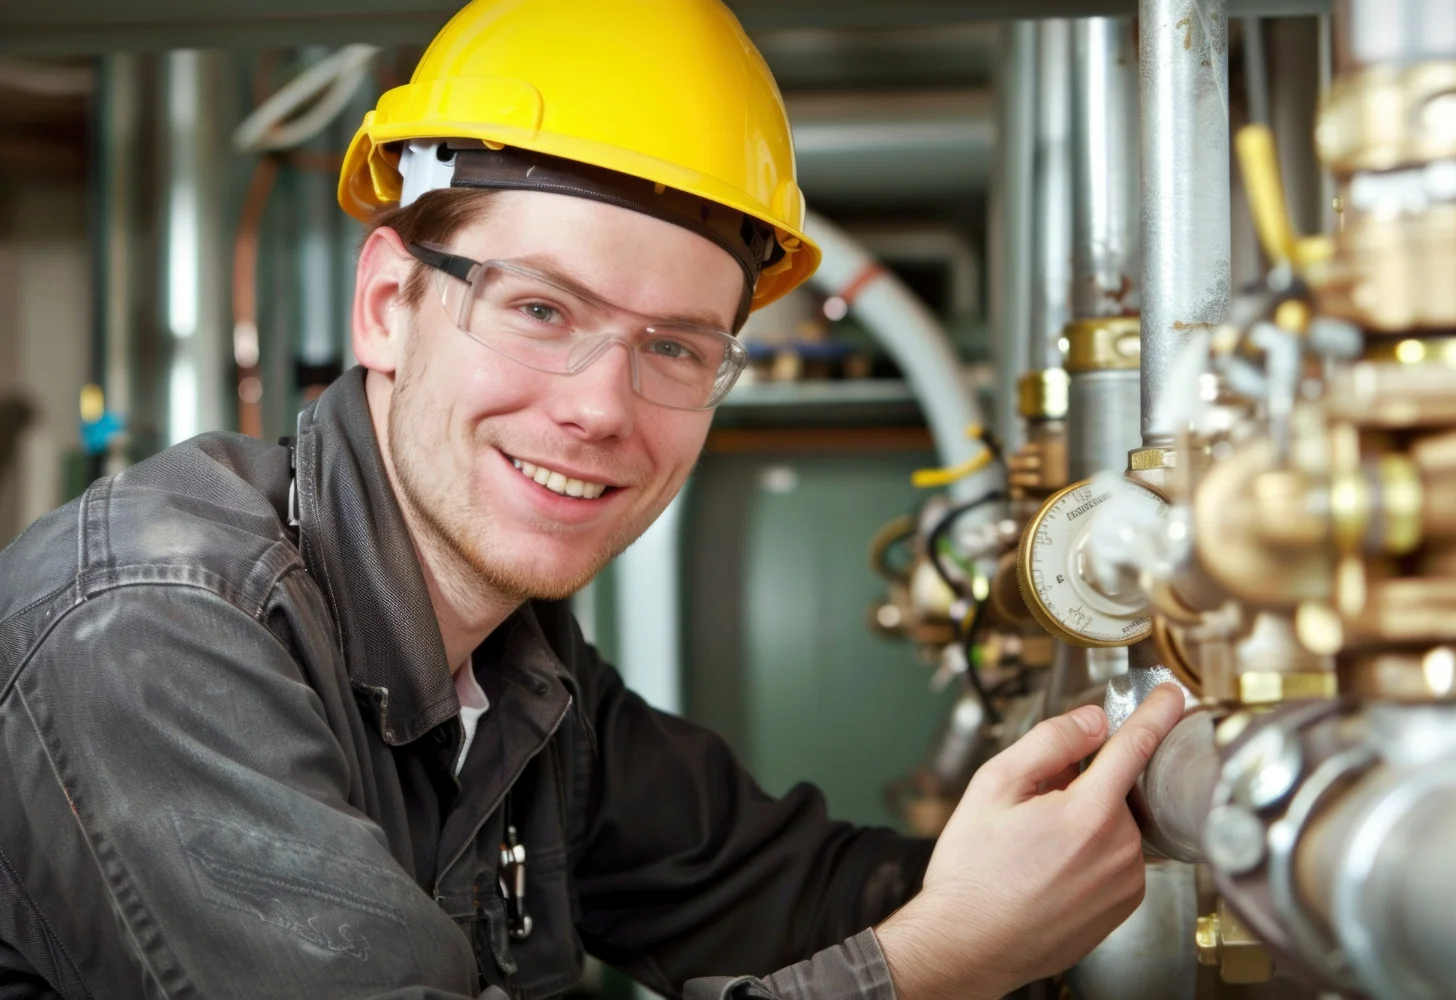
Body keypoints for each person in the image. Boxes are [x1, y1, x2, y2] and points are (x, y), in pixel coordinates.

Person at [0, 0, 1185, 997]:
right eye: (540, 309)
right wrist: (930, 964)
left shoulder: (518, 677)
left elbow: (797, 895)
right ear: (387, 307)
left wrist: (1132, 823)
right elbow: (917, 943)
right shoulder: (151, 632)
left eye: (675, 347)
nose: (602, 408)